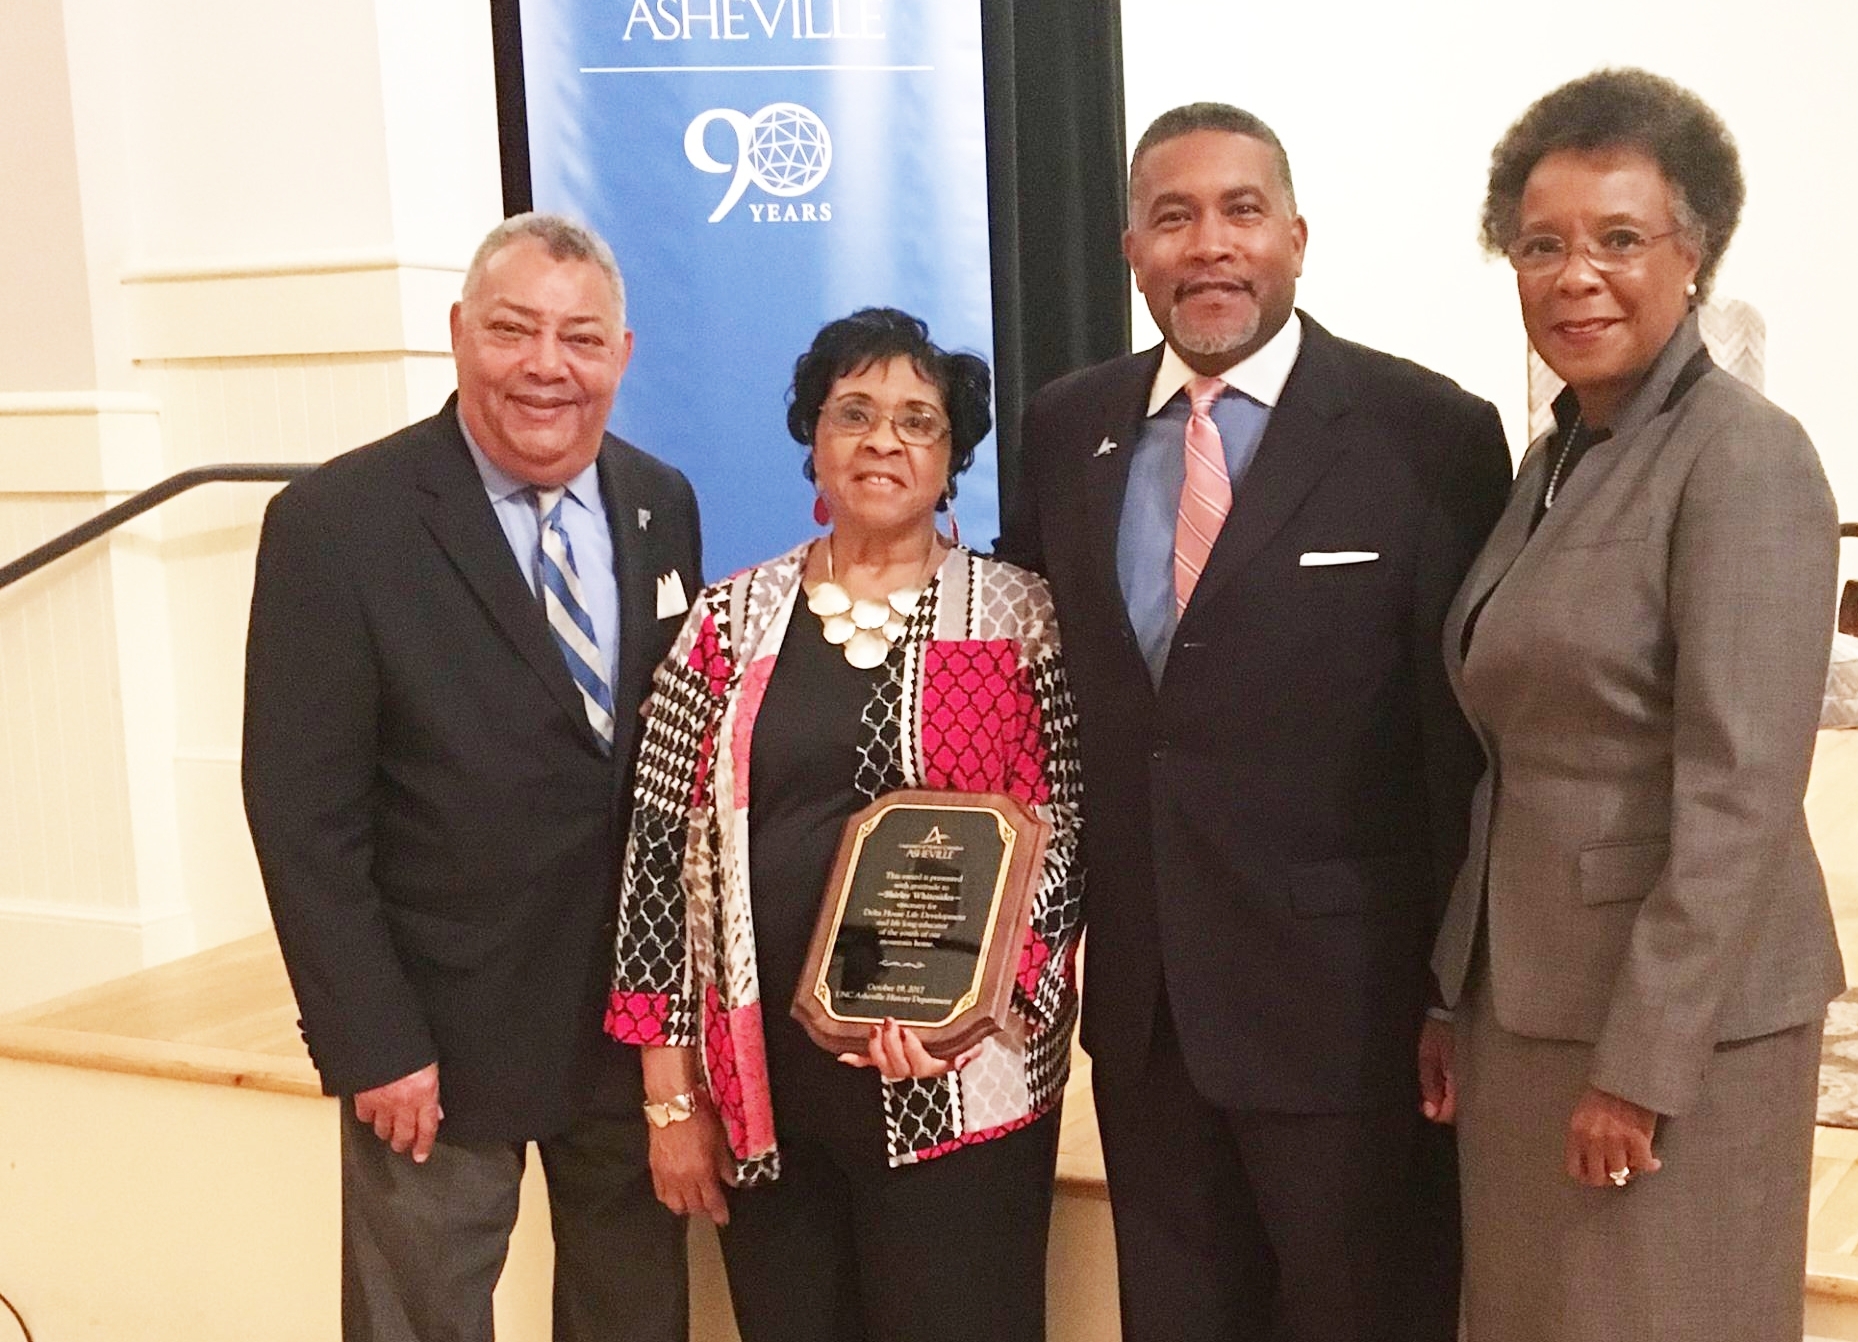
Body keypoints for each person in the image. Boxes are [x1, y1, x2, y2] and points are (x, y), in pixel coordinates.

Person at [1001, 103, 1511, 1342]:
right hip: (1146, 1009)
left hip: (1347, 1013)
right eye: (1173, 217)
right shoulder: (1067, 428)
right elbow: (1043, 708)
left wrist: (1452, 995)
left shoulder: (1428, 434)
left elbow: (1463, 748)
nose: (1208, 245)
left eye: (1238, 211)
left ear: (1295, 235)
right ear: (1131, 248)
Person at [1422, 68, 1845, 1342]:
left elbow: (1738, 794)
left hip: (1672, 1030)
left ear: (1692, 255)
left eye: (1617, 239)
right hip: (1532, 1001)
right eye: (1539, 243)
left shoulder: (1741, 457)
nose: (1573, 275)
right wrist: (1456, 988)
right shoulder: (1562, 453)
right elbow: (1512, 755)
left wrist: (1642, 1067)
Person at [241, 213, 702, 1342]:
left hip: (628, 1022)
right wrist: (372, 1039)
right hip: (436, 1028)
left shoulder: (661, 500)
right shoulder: (336, 525)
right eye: (514, 330)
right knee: (422, 1321)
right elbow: (303, 816)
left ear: (623, 356)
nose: (548, 366)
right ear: (459, 334)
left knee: (633, 1311)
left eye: (581, 339)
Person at [605, 307, 1082, 1342]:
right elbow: (653, 850)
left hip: (959, 1090)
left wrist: (975, 1010)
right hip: (761, 1083)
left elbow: (1064, 834)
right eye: (853, 413)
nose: (883, 440)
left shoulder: (1015, 616)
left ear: (951, 457)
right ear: (812, 438)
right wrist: (668, 1094)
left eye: (918, 421)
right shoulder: (731, 619)